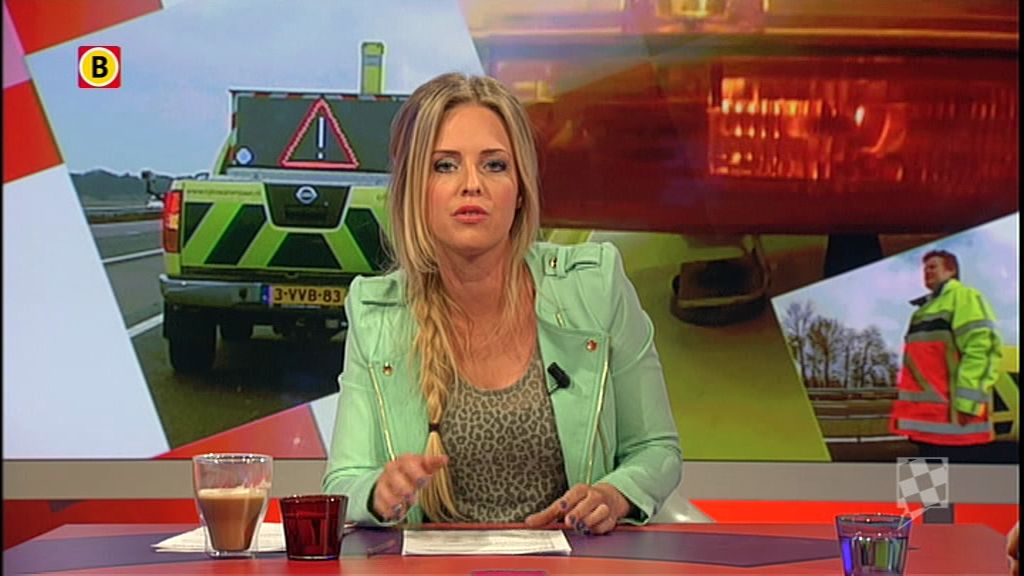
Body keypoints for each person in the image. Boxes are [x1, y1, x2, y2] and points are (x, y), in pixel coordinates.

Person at [322, 73, 682, 534]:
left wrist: (613, 495)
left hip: (572, 561)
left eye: (494, 165)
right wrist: (379, 491)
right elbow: (344, 480)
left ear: (520, 188)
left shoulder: (594, 286)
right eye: (445, 166)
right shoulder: (376, 311)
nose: (472, 184)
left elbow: (656, 448)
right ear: (413, 189)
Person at [889, 249, 1003, 461]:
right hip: (925, 425)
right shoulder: (922, 310)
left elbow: (982, 349)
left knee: (962, 482)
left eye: (933, 266)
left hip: (957, 425)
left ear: (951, 270)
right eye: (924, 268)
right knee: (922, 483)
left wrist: (968, 403)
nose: (927, 272)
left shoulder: (964, 296)